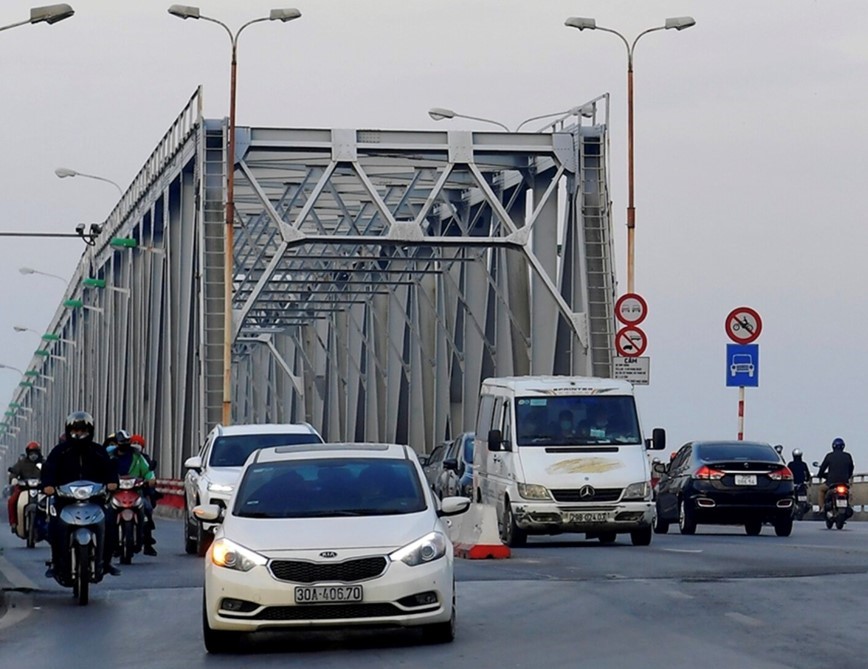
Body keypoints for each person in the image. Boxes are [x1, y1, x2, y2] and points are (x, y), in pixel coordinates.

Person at [41, 411, 120, 578]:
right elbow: (49, 469)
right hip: (65, 500)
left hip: (94, 499)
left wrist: (113, 482)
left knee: (111, 522)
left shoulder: (98, 451)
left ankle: (106, 562)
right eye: (75, 431)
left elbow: (110, 469)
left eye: (82, 431)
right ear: (69, 431)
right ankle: (56, 562)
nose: (79, 434)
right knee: (53, 526)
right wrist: (47, 485)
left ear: (89, 431)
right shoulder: (60, 451)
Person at [110, 429, 158, 556]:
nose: (124, 444)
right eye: (122, 442)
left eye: (126, 441)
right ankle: (109, 544)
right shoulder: (110, 457)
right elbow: (101, 470)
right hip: (115, 492)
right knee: (106, 513)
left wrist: (150, 479)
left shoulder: (137, 457)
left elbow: (147, 470)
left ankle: (147, 541)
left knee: (147, 508)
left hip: (135, 491)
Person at [7, 441, 43, 534]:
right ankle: (14, 523)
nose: (33, 455)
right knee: (11, 501)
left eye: (35, 452)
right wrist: (13, 479)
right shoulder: (22, 463)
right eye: (31, 453)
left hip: (40, 489)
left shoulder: (43, 463)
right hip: (23, 489)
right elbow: (14, 472)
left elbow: (50, 472)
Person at [816, 437, 855, 515]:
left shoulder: (829, 456)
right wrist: (848, 477)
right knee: (850, 493)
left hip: (831, 482)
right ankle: (849, 505)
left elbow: (823, 468)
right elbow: (851, 468)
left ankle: (822, 508)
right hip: (844, 482)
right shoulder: (848, 456)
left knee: (821, 490)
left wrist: (820, 475)